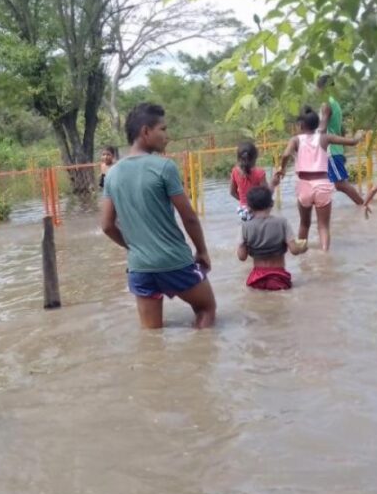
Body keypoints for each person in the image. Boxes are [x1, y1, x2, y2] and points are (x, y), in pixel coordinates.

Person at [101, 102, 216, 330]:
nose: (167, 136)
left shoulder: (112, 174)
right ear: (146, 131)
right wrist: (202, 250)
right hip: (174, 262)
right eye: (162, 129)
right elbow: (189, 217)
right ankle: (200, 363)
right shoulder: (164, 167)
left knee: (152, 334)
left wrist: (132, 247)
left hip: (139, 268)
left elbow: (106, 225)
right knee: (206, 309)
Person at [273, 107, 360, 252]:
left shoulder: (295, 140)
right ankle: (325, 255)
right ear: (316, 124)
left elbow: (285, 155)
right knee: (323, 225)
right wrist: (358, 136)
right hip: (322, 184)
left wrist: (281, 168)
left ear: (300, 125)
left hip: (304, 185)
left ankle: (302, 254)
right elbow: (352, 142)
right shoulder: (324, 138)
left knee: (304, 224)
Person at [237, 186, 308, 290]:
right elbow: (294, 250)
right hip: (279, 276)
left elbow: (241, 257)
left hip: (256, 278)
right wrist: (303, 248)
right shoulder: (282, 222)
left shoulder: (245, 226)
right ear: (272, 203)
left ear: (249, 207)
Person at [316, 74, 367, 205]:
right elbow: (341, 129)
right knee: (325, 182)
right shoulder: (335, 103)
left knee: (340, 184)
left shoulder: (326, 104)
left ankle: (363, 205)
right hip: (336, 149)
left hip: (330, 150)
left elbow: (322, 128)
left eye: (318, 89)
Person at [229, 140, 270, 220]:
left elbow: (232, 192)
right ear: (255, 157)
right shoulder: (260, 173)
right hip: (258, 210)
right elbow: (266, 193)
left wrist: (243, 201)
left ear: (238, 158)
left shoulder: (235, 171)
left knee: (248, 231)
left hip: (244, 211)